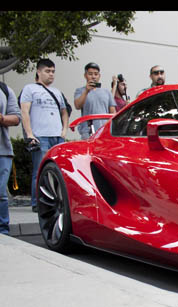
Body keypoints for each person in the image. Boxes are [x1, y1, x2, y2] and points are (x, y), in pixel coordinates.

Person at [20, 58, 69, 212]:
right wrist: (29, 134)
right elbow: (24, 111)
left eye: (53, 71)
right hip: (40, 136)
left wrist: (64, 131)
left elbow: (64, 112)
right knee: (39, 170)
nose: (51, 74)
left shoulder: (57, 92)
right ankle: (37, 203)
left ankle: (54, 200)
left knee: (57, 171)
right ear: (39, 72)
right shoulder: (30, 89)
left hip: (56, 136)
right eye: (47, 71)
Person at [74, 62, 116, 139]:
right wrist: (86, 91)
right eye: (90, 74)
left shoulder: (106, 92)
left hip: (104, 131)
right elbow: (77, 106)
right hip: (87, 131)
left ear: (99, 76)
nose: (93, 77)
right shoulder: (80, 91)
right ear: (85, 75)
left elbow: (112, 112)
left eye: (96, 74)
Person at [0, 81, 21, 235]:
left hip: (3, 149)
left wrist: (2, 118)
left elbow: (16, 117)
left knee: (0, 193)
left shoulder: (5, 90)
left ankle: (3, 231)